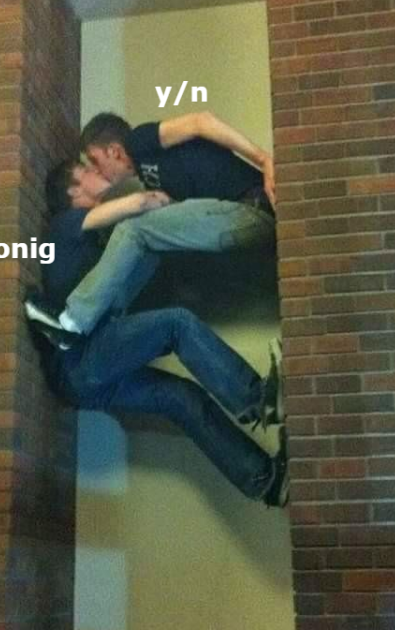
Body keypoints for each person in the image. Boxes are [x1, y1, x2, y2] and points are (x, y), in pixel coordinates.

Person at [27, 161, 289, 507]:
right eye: (86, 170)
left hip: (86, 373)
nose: (97, 171)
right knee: (175, 323)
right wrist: (152, 198)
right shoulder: (65, 225)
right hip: (80, 358)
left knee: (181, 398)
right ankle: (257, 399)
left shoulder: (96, 244)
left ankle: (264, 479)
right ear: (74, 191)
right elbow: (136, 205)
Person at [26, 111, 277, 339]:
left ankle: (72, 321)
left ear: (114, 151)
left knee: (133, 229)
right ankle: (106, 321)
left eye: (95, 160)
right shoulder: (151, 180)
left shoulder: (139, 142)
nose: (97, 170)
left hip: (252, 207)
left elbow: (201, 121)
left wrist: (264, 160)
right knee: (146, 242)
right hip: (242, 220)